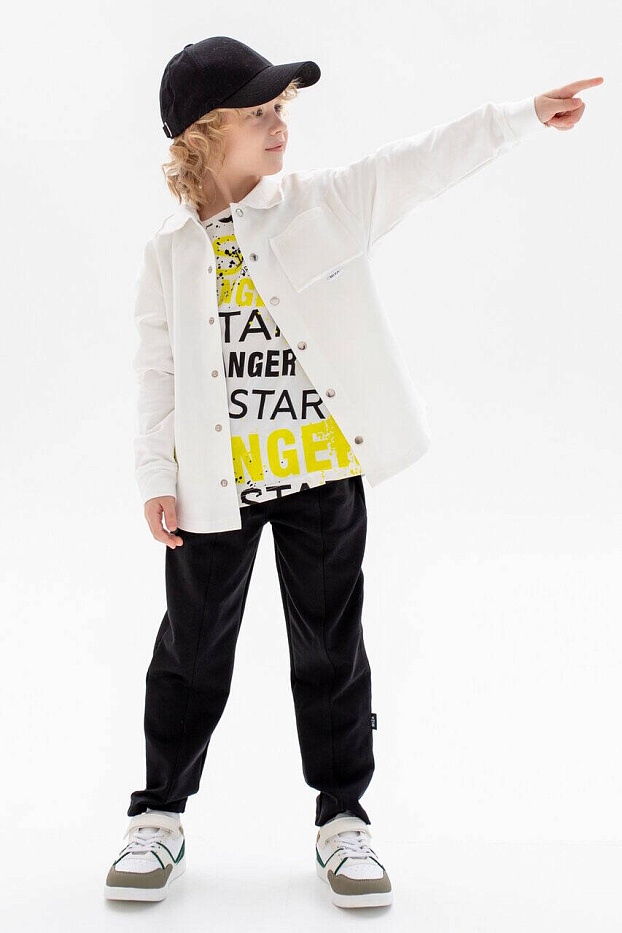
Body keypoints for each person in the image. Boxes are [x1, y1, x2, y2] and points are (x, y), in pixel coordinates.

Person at [104, 35, 602, 908]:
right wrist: (156, 473)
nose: (280, 126)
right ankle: (158, 814)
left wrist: (521, 117)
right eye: (259, 113)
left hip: (325, 479)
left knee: (332, 647)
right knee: (191, 648)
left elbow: (423, 162)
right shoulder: (169, 252)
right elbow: (157, 369)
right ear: (204, 135)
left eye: (282, 109)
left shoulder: (324, 204)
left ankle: (343, 819)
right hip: (213, 488)